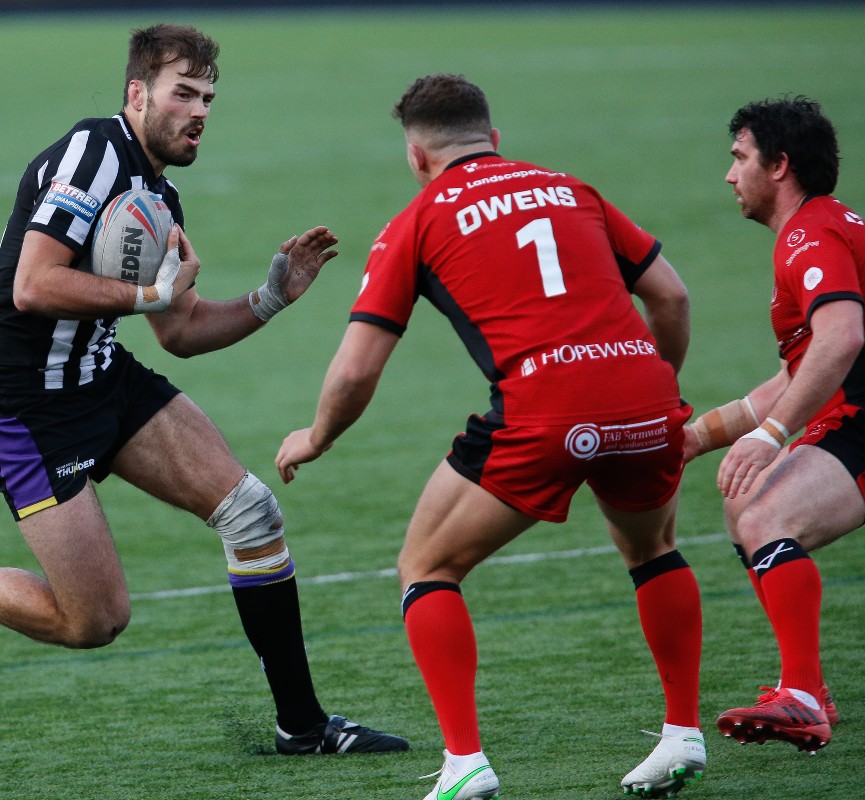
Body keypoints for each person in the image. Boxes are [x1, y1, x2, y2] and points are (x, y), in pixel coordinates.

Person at [0, 23, 407, 757]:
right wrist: (144, 293)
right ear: (137, 94)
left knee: (250, 512)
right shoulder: (92, 152)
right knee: (92, 622)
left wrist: (269, 298)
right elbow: (33, 287)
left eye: (209, 98)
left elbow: (180, 332)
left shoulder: (159, 195)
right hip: (24, 407)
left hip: (104, 379)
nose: (199, 111)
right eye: (183, 93)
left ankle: (302, 725)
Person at [276, 73, 704, 799]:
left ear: (416, 156)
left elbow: (354, 373)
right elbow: (670, 294)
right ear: (494, 139)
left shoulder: (416, 220)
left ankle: (464, 762)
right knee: (651, 549)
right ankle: (680, 734)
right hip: (642, 392)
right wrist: (648, 384)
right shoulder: (574, 190)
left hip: (541, 410)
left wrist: (315, 437)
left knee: (426, 566)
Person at [683, 96, 863, 752]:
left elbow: (840, 338)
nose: (730, 175)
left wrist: (771, 436)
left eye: (739, 158)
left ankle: (802, 697)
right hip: (854, 413)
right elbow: (801, 374)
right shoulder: (816, 228)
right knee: (747, 504)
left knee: (764, 513)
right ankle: (806, 691)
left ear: (778, 165)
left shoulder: (809, 234)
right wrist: (700, 437)